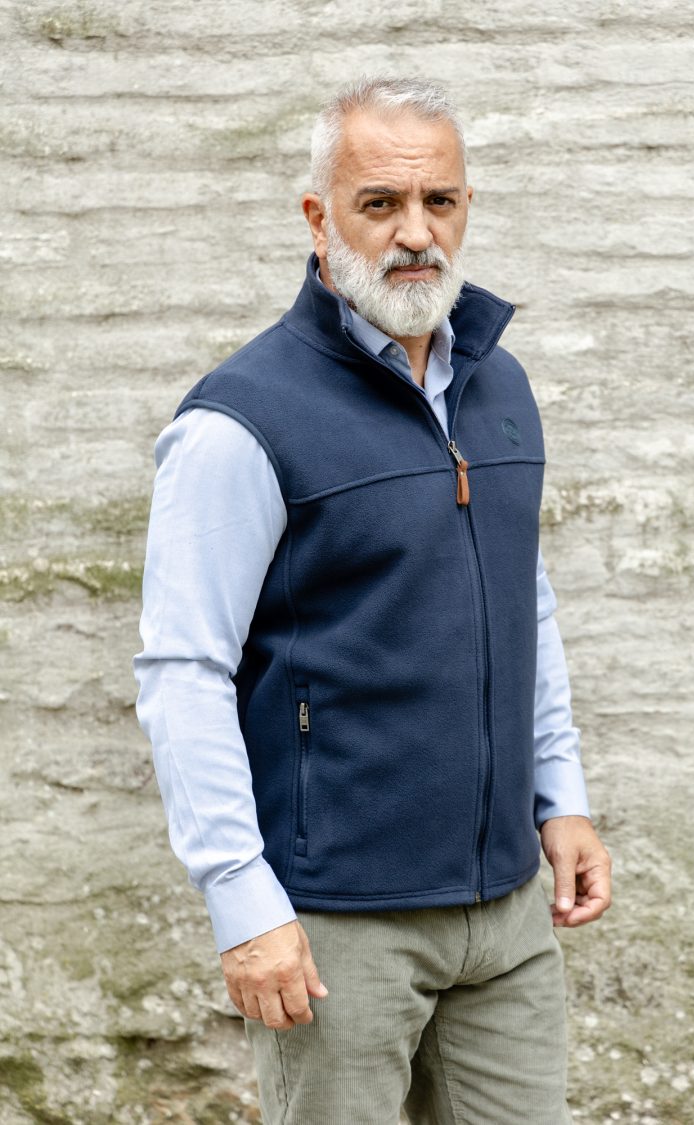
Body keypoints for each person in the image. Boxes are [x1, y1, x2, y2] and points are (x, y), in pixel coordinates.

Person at [134, 76, 611, 1125]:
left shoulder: (499, 386)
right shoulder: (240, 420)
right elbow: (183, 672)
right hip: (336, 924)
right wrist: (243, 901)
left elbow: (521, 601)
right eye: (380, 204)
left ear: (467, 207)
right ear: (319, 217)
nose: (416, 234)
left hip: (507, 911)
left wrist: (561, 796)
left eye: (439, 201)